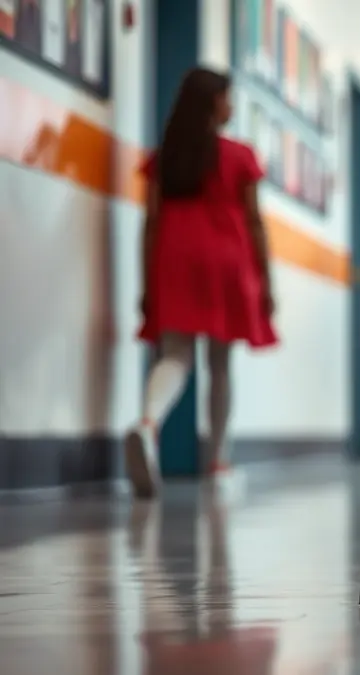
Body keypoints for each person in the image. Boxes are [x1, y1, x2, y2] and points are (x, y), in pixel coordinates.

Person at [124, 68, 277, 499]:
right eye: (227, 98)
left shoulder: (164, 160)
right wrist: (266, 280)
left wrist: (147, 282)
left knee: (175, 355)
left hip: (174, 256)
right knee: (220, 364)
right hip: (226, 260)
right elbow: (255, 222)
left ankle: (147, 423)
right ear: (214, 103)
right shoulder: (239, 156)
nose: (231, 107)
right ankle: (219, 462)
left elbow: (151, 224)